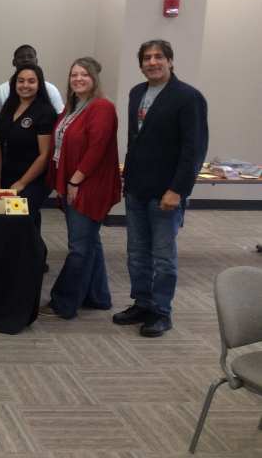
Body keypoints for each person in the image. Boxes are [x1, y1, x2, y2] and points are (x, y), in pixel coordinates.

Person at [114, 40, 208, 338]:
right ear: (140, 64)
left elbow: (194, 149)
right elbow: (135, 140)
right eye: (146, 58)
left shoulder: (188, 97)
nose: (152, 62)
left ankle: (161, 312)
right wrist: (126, 178)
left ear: (170, 61)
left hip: (166, 191)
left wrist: (178, 190)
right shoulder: (137, 93)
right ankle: (142, 303)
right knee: (137, 252)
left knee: (163, 256)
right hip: (137, 188)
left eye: (158, 57)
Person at [41, 57, 121, 320]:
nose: (78, 79)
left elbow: (97, 148)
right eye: (74, 74)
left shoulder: (102, 107)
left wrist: (75, 179)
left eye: (84, 74)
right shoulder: (73, 107)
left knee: (79, 247)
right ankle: (99, 297)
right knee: (89, 241)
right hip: (73, 182)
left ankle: (64, 301)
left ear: (94, 77)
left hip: (88, 185)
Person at [0, 64, 55, 261]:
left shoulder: (44, 111)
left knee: (20, 218)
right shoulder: (9, 106)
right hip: (8, 174)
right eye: (21, 81)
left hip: (33, 178)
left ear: (39, 84)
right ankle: (36, 258)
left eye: (31, 81)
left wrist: (22, 183)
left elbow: (45, 155)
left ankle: (31, 262)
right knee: (25, 221)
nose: (25, 85)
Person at [0, 45, 65, 115]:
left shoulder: (50, 89)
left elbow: (60, 115)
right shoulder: (0, 91)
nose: (26, 60)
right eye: (21, 57)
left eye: (30, 56)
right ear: (13, 62)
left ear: (36, 61)